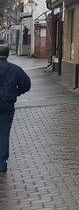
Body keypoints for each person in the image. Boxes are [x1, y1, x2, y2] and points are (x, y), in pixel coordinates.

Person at [0, 44, 30, 173]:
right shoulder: (15, 69)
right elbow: (26, 85)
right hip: (7, 104)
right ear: (7, 55)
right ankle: (1, 163)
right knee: (3, 133)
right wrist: (16, 92)